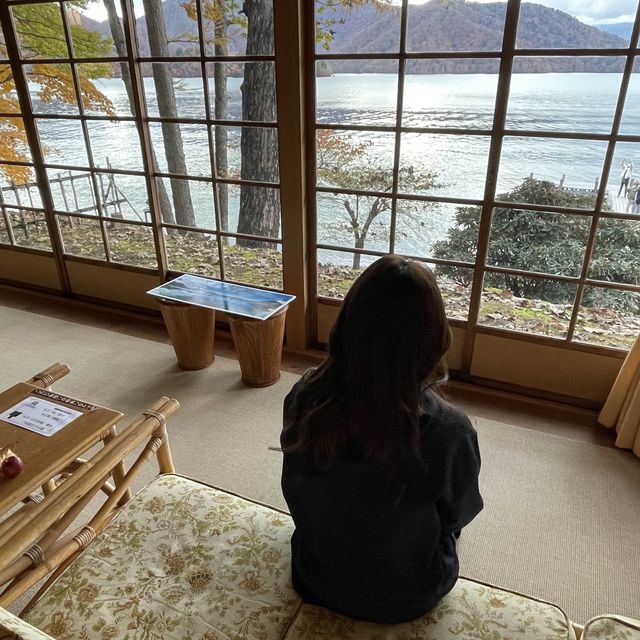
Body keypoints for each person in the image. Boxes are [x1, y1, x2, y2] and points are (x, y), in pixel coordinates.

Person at [280, 254, 483, 624]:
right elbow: (460, 514)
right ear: (434, 339)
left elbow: (295, 488)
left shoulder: (304, 396)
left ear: (346, 325)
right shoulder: (450, 431)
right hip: (407, 598)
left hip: (314, 577)